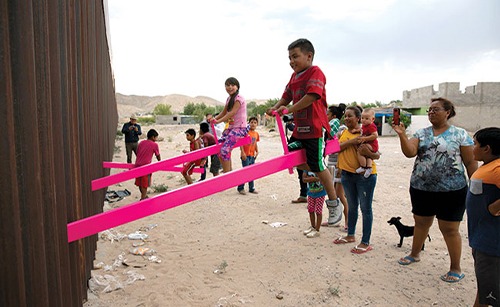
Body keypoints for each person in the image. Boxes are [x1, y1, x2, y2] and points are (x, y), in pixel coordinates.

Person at [393, 97, 478, 283]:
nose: (431, 112)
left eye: (436, 109)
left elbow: (470, 162)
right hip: (421, 188)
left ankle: (455, 267)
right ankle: (415, 254)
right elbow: (410, 152)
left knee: (449, 229)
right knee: (421, 222)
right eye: (429, 110)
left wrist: (477, 187)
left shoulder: (460, 134)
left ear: (448, 112)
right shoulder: (421, 133)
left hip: (452, 191)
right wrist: (401, 134)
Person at [266, 38, 342, 226]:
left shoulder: (316, 73)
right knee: (290, 158)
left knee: (316, 163)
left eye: (295, 56)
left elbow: (312, 96)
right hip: (300, 130)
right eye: (290, 58)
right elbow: (286, 96)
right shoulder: (294, 77)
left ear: (309, 56)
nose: (292, 61)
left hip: (315, 129)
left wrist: (289, 110)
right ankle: (320, 172)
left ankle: (333, 203)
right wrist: (275, 108)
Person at [332, 106, 379, 254]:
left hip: (364, 176)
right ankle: (350, 235)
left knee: (366, 209)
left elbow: (376, 155)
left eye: (350, 116)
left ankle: (365, 242)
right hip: (347, 175)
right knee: (352, 207)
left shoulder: (365, 131)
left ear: (358, 118)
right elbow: (336, 149)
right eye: (345, 116)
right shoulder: (344, 132)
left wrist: (367, 150)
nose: (346, 118)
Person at [465, 127, 500, 307]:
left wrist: (494, 208)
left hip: (491, 242)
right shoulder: (489, 166)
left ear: (486, 148)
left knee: (491, 291)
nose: (472, 148)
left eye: (475, 144)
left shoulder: (498, 168)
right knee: (485, 283)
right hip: (481, 237)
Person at [211, 77, 248, 173]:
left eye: (232, 85)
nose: (230, 87)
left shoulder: (239, 98)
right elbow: (223, 113)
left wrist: (219, 121)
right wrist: (215, 119)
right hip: (231, 128)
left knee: (225, 150)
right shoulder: (229, 99)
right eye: (227, 85)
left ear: (237, 87)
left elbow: (232, 113)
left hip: (240, 128)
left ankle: (227, 174)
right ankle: (227, 170)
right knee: (218, 148)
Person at [323, 104, 349, 231]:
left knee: (340, 194)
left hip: (339, 165)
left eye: (328, 114)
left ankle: (348, 222)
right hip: (332, 163)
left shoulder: (341, 128)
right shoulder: (329, 129)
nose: (325, 116)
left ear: (334, 116)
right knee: (332, 193)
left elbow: (343, 147)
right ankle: (334, 219)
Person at [134, 129, 161, 200]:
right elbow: (158, 155)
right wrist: (160, 162)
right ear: (153, 137)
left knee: (140, 182)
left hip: (137, 165)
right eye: (156, 137)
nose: (156, 139)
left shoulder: (141, 143)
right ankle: (143, 198)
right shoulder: (154, 144)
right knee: (144, 184)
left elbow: (137, 152)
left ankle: (144, 196)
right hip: (145, 166)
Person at [237, 116, 260, 195]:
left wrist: (257, 151)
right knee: (245, 172)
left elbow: (255, 142)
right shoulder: (245, 132)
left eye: (255, 123)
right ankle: (240, 188)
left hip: (252, 155)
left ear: (257, 124)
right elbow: (241, 142)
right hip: (245, 155)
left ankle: (251, 188)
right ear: (248, 123)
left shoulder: (256, 134)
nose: (253, 124)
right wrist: (242, 152)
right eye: (251, 122)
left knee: (251, 172)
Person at [355, 108, 379, 178]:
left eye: (366, 118)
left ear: (373, 119)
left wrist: (365, 138)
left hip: (372, 145)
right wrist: (357, 131)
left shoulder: (371, 126)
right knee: (367, 155)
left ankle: (363, 166)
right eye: (362, 118)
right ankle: (369, 167)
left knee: (360, 151)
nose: (364, 120)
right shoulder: (364, 126)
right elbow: (362, 130)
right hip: (371, 145)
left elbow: (375, 135)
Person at [302, 171, 326, 238]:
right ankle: (313, 226)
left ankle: (317, 230)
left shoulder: (320, 168)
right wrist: (315, 179)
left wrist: (311, 179)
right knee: (310, 210)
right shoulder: (306, 169)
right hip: (311, 193)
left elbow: (323, 178)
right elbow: (304, 179)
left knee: (318, 211)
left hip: (320, 193)